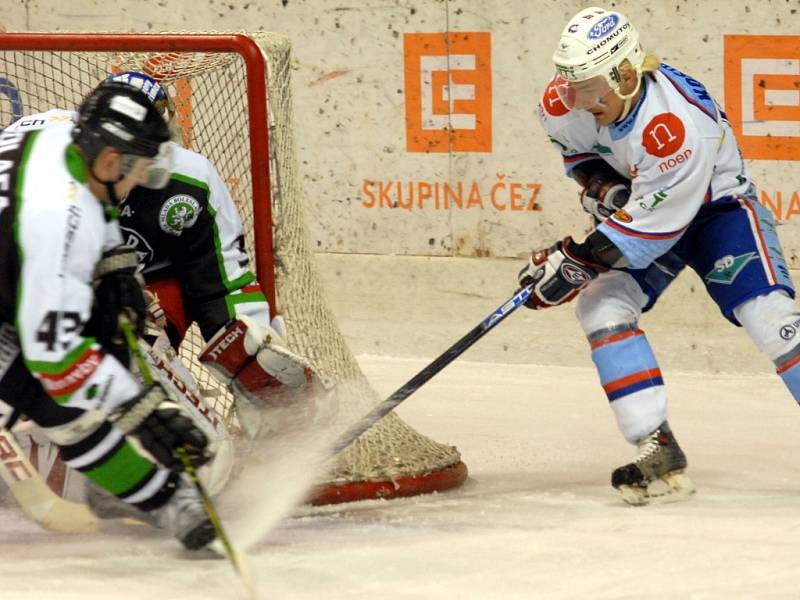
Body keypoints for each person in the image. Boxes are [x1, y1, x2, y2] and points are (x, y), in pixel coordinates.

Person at [525, 6, 800, 505]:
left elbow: (653, 231)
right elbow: (583, 159)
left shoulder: (675, 125)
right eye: (571, 85)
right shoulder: (568, 100)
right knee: (601, 304)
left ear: (626, 74)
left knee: (771, 317)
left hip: (720, 212)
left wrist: (574, 260)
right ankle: (656, 443)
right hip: (650, 208)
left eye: (589, 88)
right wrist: (606, 189)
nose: (576, 100)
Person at [5, 72, 330, 442]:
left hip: (140, 290)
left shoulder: (189, 180)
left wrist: (252, 352)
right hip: (28, 274)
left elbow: (222, 283)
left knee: (139, 343)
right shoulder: (41, 155)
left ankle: (160, 431)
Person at [0, 81, 220, 548]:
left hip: (15, 274)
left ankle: (162, 498)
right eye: (140, 167)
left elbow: (80, 199)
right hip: (19, 285)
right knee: (65, 407)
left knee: (88, 353)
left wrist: (113, 257)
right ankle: (168, 500)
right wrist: (142, 410)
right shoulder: (59, 224)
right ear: (108, 160)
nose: (143, 179)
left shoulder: (58, 128)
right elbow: (56, 358)